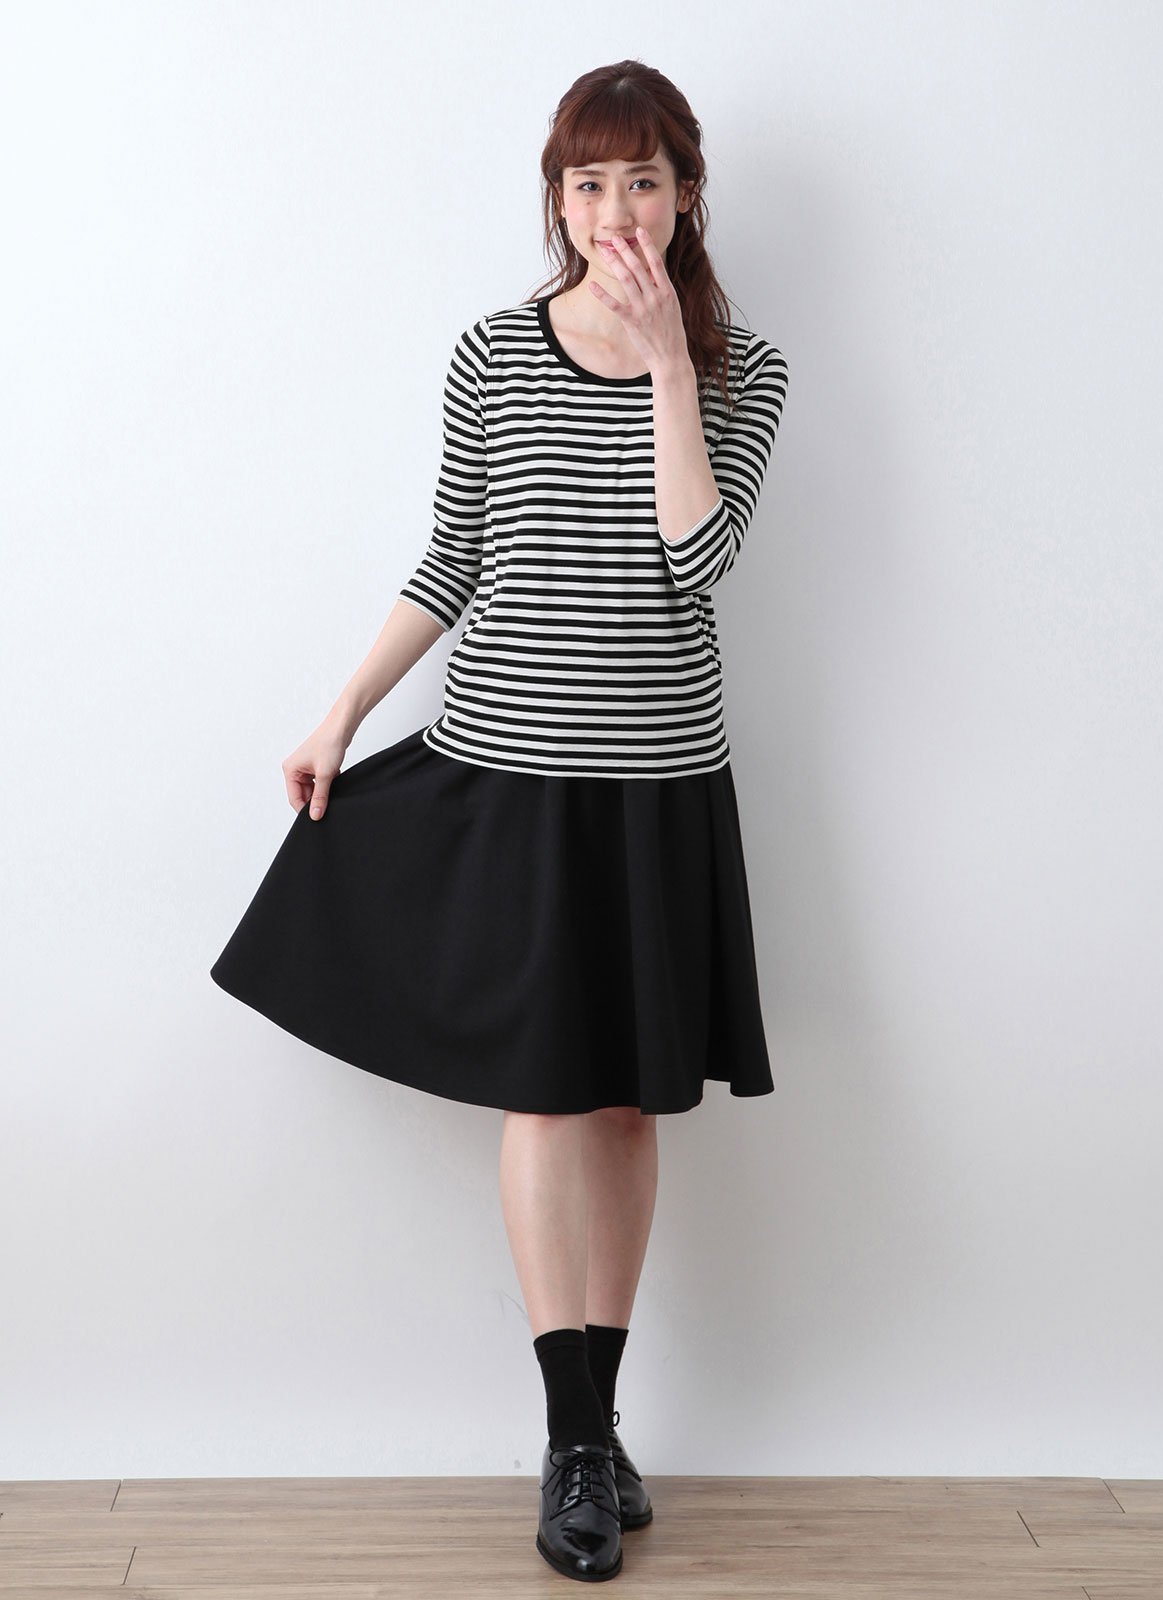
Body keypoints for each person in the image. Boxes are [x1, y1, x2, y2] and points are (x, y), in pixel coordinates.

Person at [211, 58, 789, 1584]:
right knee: (544, 1097)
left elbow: (695, 564)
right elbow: (455, 555)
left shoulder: (744, 368)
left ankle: (598, 1421)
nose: (615, 211)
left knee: (628, 1109)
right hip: (509, 780)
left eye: (643, 181)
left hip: (658, 787)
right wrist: (342, 711)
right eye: (588, 183)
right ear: (557, 198)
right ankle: (576, 1441)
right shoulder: (493, 352)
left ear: (686, 197)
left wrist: (668, 370)